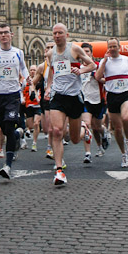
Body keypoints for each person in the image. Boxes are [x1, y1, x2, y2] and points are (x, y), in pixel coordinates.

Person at [45, 24, 96, 185]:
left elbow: (92, 64)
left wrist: (81, 71)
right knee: (57, 131)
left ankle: (84, 130)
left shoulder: (74, 50)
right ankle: (59, 171)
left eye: (60, 33)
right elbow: (52, 72)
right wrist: (48, 87)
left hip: (74, 97)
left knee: (74, 139)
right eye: (55, 33)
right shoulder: (51, 53)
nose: (57, 36)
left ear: (67, 34)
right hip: (58, 96)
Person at [0, 23, 29, 181]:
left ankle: (7, 166)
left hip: (13, 95)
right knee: (2, 130)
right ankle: (18, 133)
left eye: (6, 33)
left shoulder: (18, 53)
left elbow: (23, 69)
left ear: (11, 35)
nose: (3, 35)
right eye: (0, 33)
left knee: (8, 125)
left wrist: (26, 81)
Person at [95, 38, 128, 168]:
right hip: (112, 96)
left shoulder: (127, 60)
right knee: (117, 128)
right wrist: (104, 61)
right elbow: (98, 77)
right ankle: (124, 154)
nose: (112, 48)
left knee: (126, 118)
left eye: (114, 46)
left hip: (126, 93)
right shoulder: (104, 62)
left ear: (119, 47)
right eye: (110, 46)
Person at [80, 42, 108, 160]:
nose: (85, 54)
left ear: (91, 53)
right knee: (87, 125)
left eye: (87, 52)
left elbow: (106, 80)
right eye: (83, 52)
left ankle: (104, 133)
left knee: (97, 127)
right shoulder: (78, 68)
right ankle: (88, 153)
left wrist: (96, 76)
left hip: (97, 99)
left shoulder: (97, 66)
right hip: (84, 100)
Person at [24, 65, 41, 152]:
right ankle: (28, 132)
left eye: (34, 70)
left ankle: (34, 143)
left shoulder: (40, 79)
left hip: (38, 105)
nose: (32, 71)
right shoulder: (26, 81)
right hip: (29, 105)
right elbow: (23, 91)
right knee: (30, 125)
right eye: (31, 70)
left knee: (36, 123)